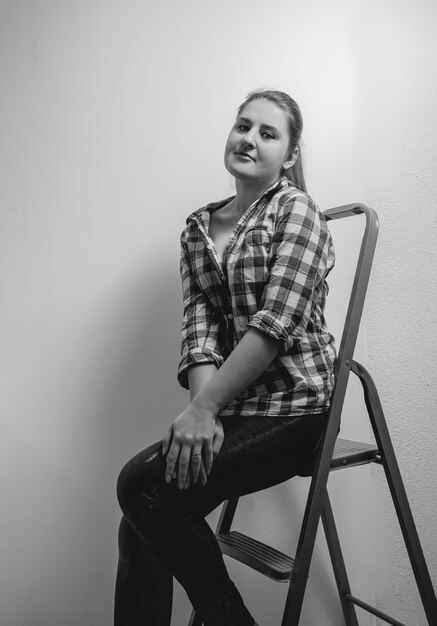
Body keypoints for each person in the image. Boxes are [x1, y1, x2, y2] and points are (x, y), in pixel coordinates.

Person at [115, 89, 336, 626]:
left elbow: (272, 328)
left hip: (297, 410)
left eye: (268, 133)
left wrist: (206, 410)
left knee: (139, 488)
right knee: (142, 517)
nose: (249, 139)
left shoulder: (297, 211)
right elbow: (200, 329)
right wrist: (202, 412)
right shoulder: (198, 227)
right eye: (243, 125)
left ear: (289, 155)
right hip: (234, 408)